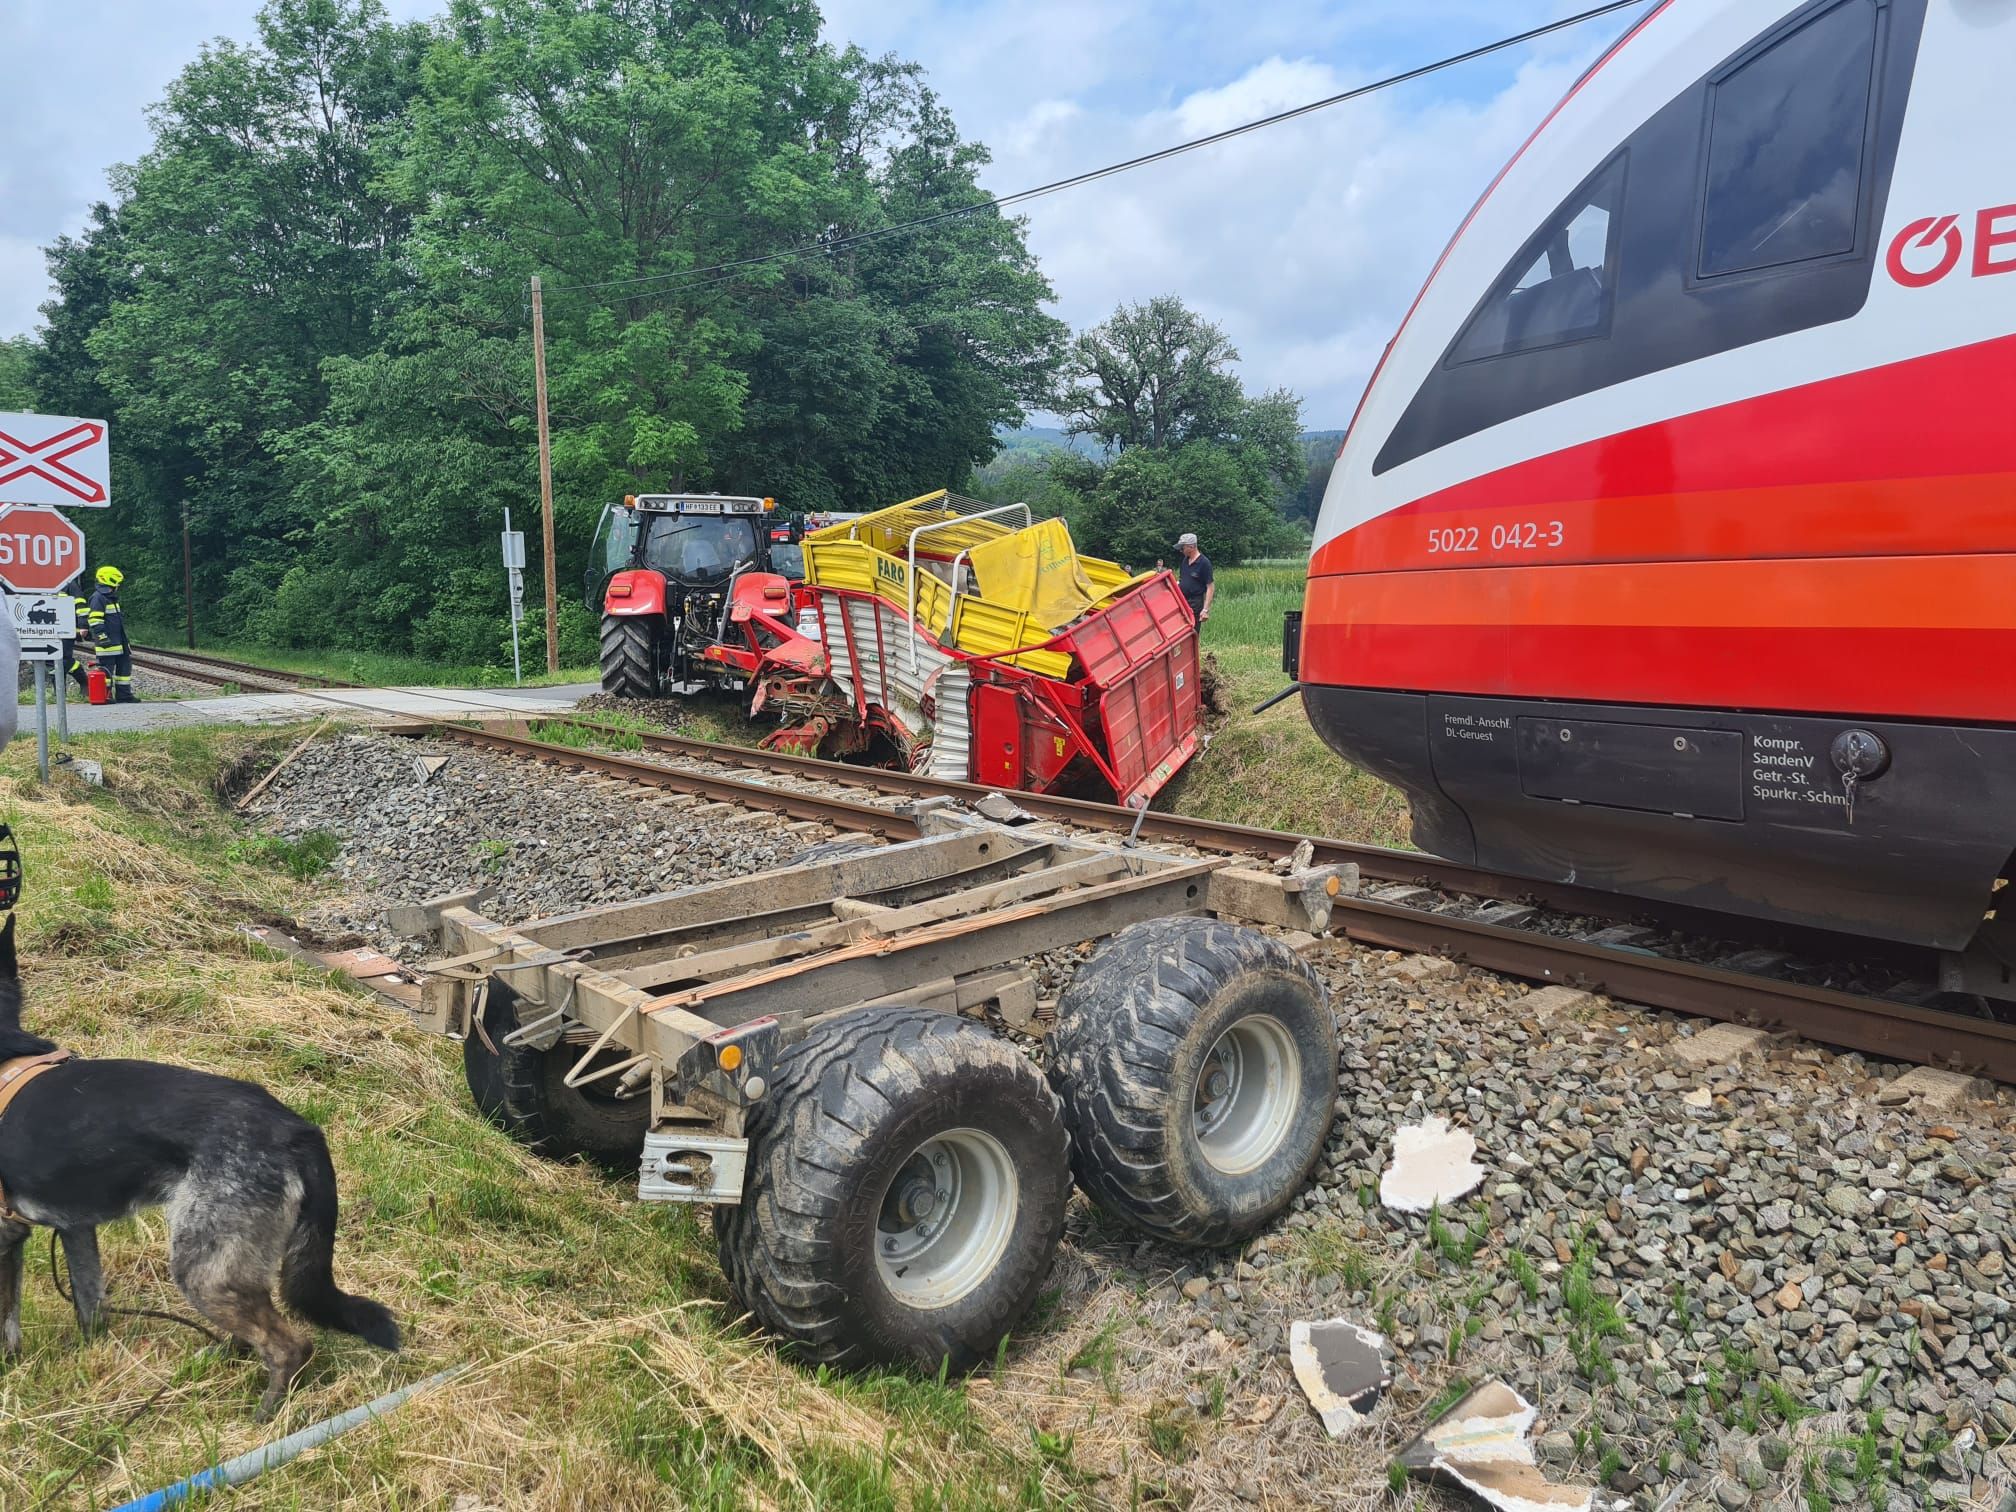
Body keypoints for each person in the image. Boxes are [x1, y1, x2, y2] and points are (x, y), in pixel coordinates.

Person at [87, 565, 136, 703]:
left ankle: (124, 695)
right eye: (117, 583)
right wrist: (102, 637)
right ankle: (105, 696)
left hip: (119, 642)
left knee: (124, 668)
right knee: (106, 671)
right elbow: (95, 620)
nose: (118, 586)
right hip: (107, 642)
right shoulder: (98, 598)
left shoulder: (111, 598)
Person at [1175, 532, 1214, 625]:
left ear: (1191, 547)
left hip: (1195, 603)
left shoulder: (1204, 563)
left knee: (1192, 631)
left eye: (1182, 547)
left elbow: (1210, 587)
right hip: (1182, 600)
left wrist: (1205, 610)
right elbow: (1182, 580)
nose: (1181, 550)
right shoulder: (1185, 561)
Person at [63, 591, 91, 695]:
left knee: (63, 659)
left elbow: (81, 605)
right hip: (45, 630)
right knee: (51, 663)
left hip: (67, 630)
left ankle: (59, 694)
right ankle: (59, 694)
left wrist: (83, 626)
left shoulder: (68, 583)